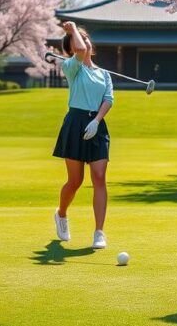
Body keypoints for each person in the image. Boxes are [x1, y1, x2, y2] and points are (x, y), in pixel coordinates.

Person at [51, 21, 114, 249]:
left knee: (98, 177)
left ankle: (99, 232)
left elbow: (108, 99)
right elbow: (79, 51)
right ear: (70, 49)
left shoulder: (104, 74)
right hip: (76, 123)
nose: (84, 43)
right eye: (80, 40)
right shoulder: (72, 67)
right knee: (75, 181)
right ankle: (61, 213)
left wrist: (96, 121)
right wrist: (73, 29)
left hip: (96, 125)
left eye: (86, 39)